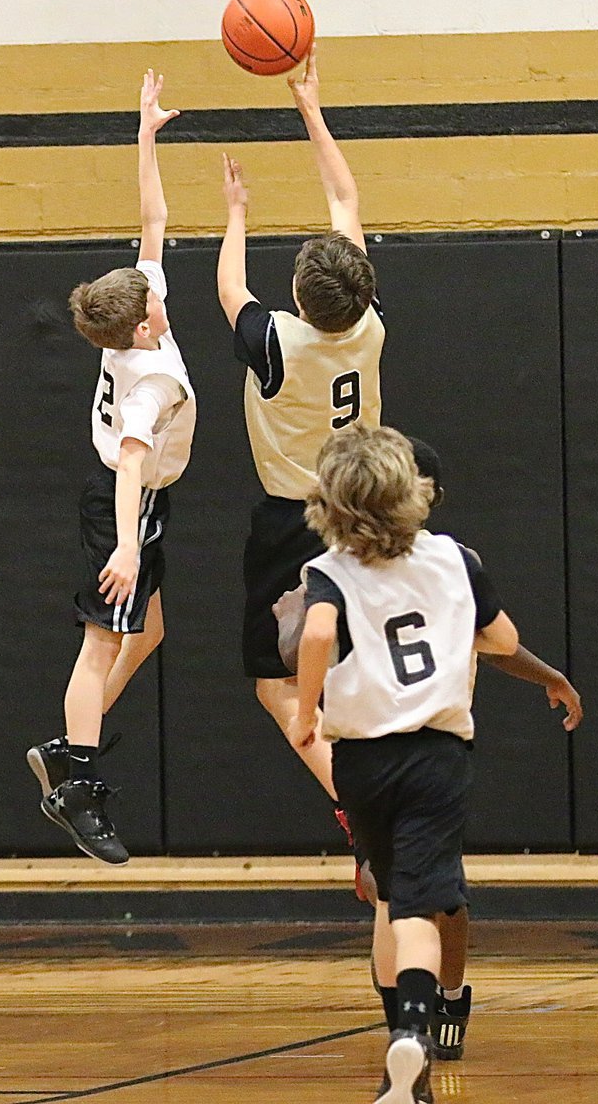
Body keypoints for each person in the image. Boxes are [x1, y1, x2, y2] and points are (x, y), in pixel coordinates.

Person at [292, 425, 580, 1104]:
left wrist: (304, 712)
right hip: (437, 752)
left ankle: (401, 1043)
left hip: (360, 755)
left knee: (392, 898)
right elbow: (502, 640)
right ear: (414, 492)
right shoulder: (454, 559)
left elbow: (314, 633)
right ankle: (415, 1032)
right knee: (419, 906)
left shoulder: (327, 571)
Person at [26, 71, 195, 866]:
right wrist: (126, 546)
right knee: (101, 643)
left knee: (147, 632)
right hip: (123, 506)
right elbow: (131, 463)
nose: (164, 301)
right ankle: (77, 785)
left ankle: (68, 743)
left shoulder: (132, 305)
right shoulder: (148, 379)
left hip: (133, 502)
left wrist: (145, 134)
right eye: (154, 307)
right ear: (134, 332)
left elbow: (153, 219)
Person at [216, 42, 383, 810]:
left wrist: (236, 214)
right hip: (367, 510)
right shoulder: (369, 326)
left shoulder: (276, 342)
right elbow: (344, 201)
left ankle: (350, 803)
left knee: (276, 683)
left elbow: (227, 286)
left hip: (294, 521)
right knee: (355, 664)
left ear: (297, 291)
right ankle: (383, 784)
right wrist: (310, 109)